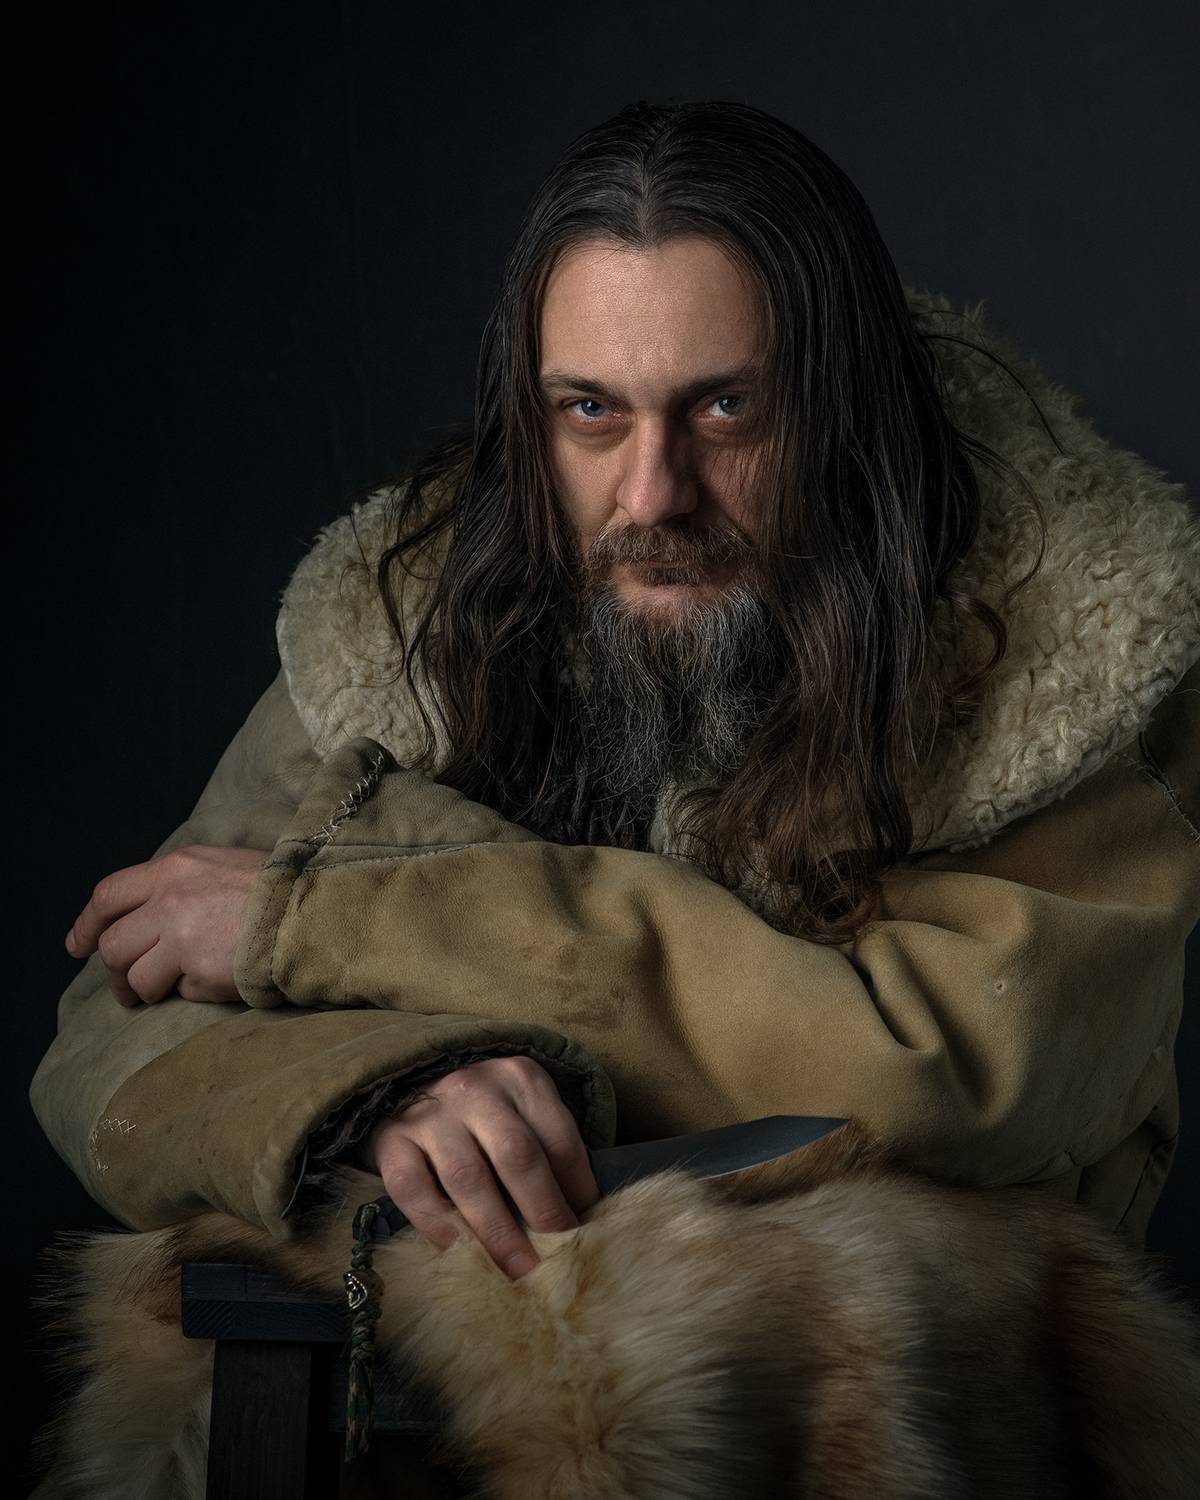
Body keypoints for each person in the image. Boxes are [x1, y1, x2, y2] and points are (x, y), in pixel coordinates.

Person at [31, 99, 1200, 1492]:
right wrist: (371, 1091)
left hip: (899, 1415)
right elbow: (113, 1024)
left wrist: (346, 921)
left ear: (846, 408)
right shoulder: (402, 623)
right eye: (591, 410)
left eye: (727, 407)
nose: (653, 494)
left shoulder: (1075, 635)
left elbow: (952, 1065)